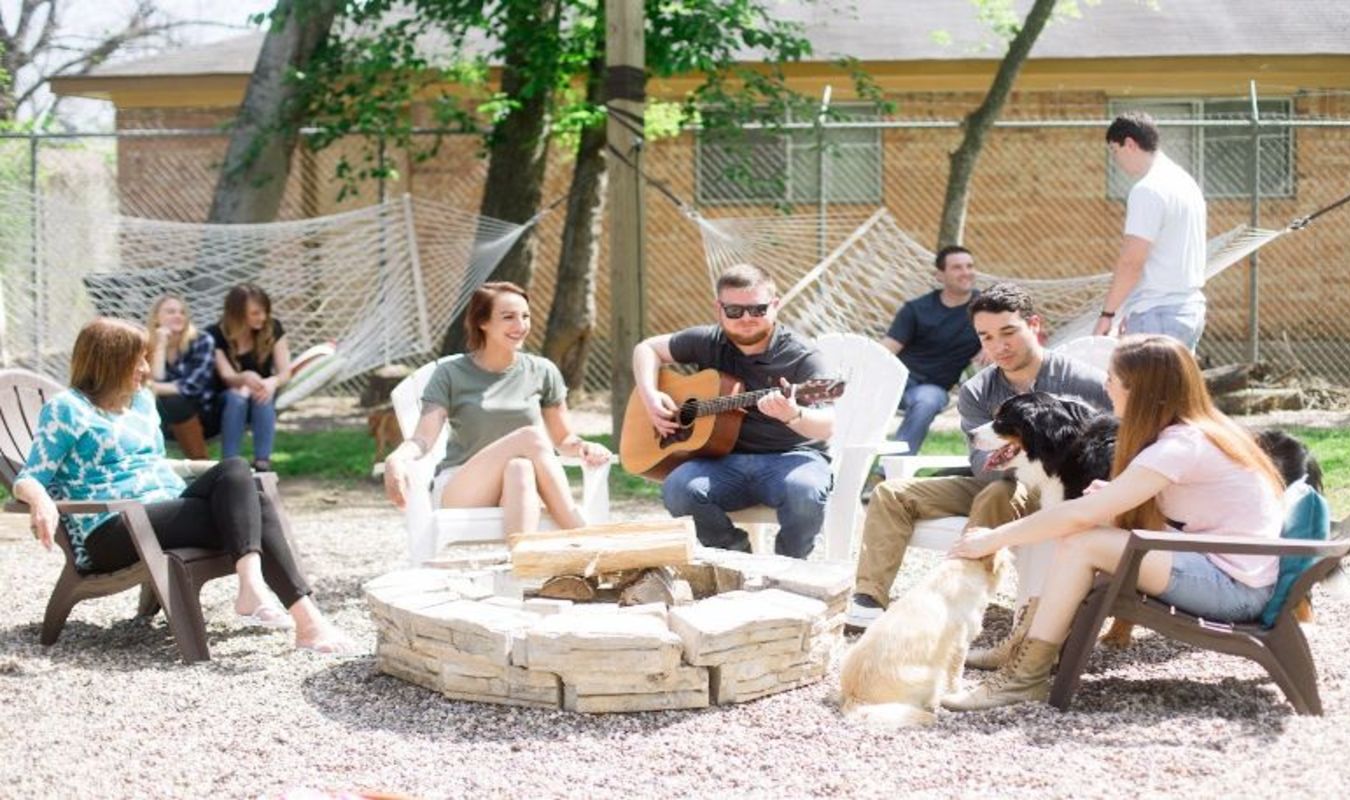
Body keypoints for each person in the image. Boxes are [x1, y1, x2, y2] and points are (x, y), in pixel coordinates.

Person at [942, 334, 1285, 711]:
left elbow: (1078, 515)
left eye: (1112, 379)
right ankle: (1024, 656)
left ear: (1140, 389)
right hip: (1229, 571)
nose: (1105, 386)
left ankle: (1024, 677)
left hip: (1233, 589)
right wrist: (1114, 494)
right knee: (1087, 533)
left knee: (1081, 541)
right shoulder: (1197, 431)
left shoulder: (1179, 445)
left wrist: (992, 539)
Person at [12, 318, 353, 654]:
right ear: (108, 361)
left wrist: (206, 471)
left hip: (164, 513)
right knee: (254, 506)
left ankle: (270, 597)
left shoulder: (142, 403)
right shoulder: (67, 409)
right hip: (113, 528)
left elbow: (154, 463)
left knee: (237, 472)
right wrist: (40, 500)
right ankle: (299, 617)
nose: (146, 369)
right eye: (137, 359)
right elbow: (29, 477)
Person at [847, 283, 1112, 643]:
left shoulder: (1086, 383)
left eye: (1008, 332)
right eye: (986, 337)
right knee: (892, 494)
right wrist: (1012, 452)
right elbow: (980, 464)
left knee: (995, 495)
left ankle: (956, 605)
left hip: (1064, 492)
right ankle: (868, 601)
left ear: (1034, 325)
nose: (998, 346)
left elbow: (1118, 442)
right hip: (1004, 481)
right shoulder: (977, 391)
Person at [633, 263, 835, 558]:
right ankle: (736, 558)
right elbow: (646, 348)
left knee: (804, 492)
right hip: (720, 461)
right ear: (719, 308)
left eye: (758, 309)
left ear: (775, 305)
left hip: (791, 458)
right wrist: (650, 396)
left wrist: (793, 415)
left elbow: (827, 424)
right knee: (678, 488)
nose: (746, 318)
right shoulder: (707, 342)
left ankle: (789, 569)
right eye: (734, 311)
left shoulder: (802, 356)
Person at [382, 281, 610, 538]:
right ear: (483, 322)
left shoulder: (543, 371)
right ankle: (582, 534)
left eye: (525, 316)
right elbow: (423, 439)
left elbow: (563, 439)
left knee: (520, 468)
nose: (521, 325)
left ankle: (522, 554)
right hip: (462, 488)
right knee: (531, 437)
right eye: (508, 317)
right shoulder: (450, 374)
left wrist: (584, 447)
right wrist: (396, 458)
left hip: (520, 486)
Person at [1094, 111, 1209, 351]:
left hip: (1158, 315)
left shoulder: (1148, 190)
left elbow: (1132, 261)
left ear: (1130, 144)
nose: (1116, 160)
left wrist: (1108, 314)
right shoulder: (1184, 182)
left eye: (1115, 151)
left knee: (1138, 379)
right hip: (1188, 310)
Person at [882, 245, 983, 461]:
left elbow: (1020, 328)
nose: (966, 272)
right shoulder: (917, 309)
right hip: (898, 381)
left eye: (969, 266)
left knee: (926, 401)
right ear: (940, 275)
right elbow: (886, 351)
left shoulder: (985, 309)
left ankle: (890, 469)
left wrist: (990, 344)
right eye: (957, 267)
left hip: (933, 388)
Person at [209, 285, 289, 473]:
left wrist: (272, 382)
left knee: (263, 396)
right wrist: (244, 378)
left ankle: (262, 463)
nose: (263, 317)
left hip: (260, 394)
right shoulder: (215, 334)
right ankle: (229, 465)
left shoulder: (273, 328)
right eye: (255, 313)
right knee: (236, 398)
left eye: (265, 312)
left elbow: (285, 372)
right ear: (237, 313)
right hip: (224, 400)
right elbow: (227, 376)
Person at [146, 294, 219, 460]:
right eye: (171, 312)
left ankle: (200, 463)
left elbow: (191, 386)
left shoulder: (202, 340)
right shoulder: (147, 343)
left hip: (202, 415)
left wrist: (149, 387)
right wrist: (161, 345)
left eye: (182, 312)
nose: (178, 316)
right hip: (160, 415)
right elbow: (157, 378)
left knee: (173, 401)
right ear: (156, 318)